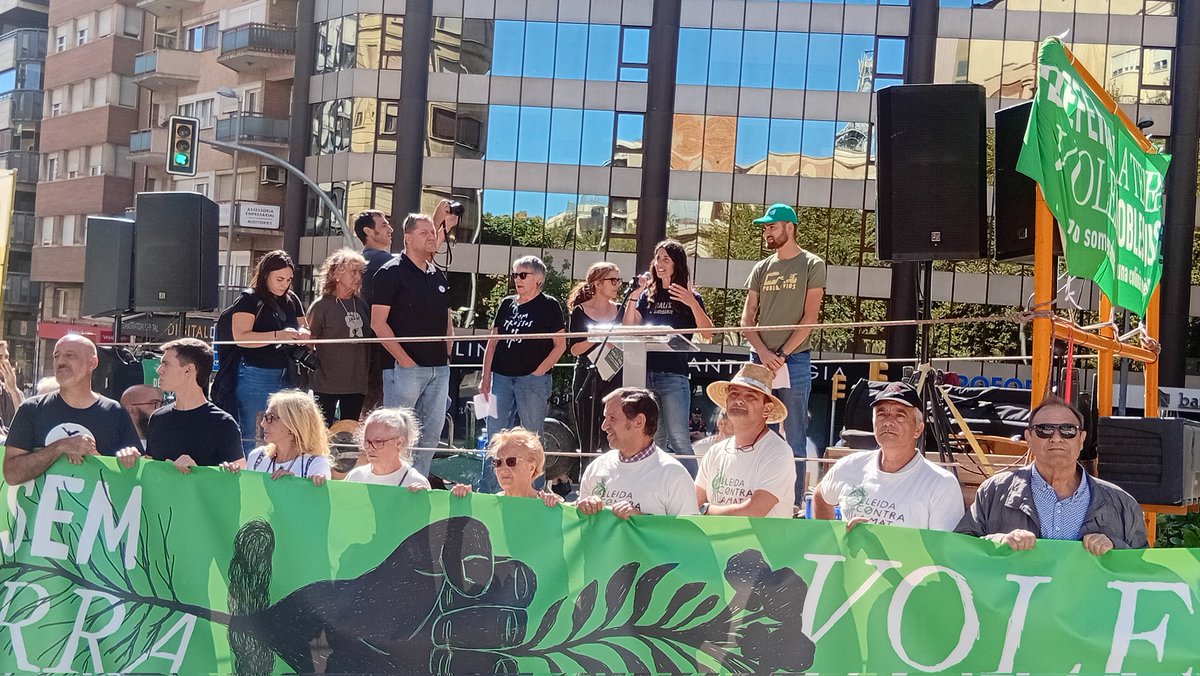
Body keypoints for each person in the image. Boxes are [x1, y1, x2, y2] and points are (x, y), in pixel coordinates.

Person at [956, 396, 1147, 554]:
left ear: (1081, 439)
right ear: (1029, 437)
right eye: (1044, 430)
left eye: (1067, 430)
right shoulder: (994, 492)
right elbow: (959, 548)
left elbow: (1142, 569)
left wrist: (1114, 547)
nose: (1056, 438)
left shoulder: (1122, 503)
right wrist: (999, 541)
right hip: (1017, 600)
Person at [742, 203, 826, 505]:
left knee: (795, 435)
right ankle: (750, 499)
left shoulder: (812, 264)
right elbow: (746, 320)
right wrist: (765, 354)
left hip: (796, 359)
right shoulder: (761, 268)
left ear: (789, 228)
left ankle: (791, 505)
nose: (766, 232)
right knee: (750, 429)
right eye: (765, 227)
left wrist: (782, 355)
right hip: (758, 360)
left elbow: (810, 317)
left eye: (771, 226)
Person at [813, 382, 964, 531]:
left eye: (900, 415)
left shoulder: (941, 485)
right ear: (873, 423)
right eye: (881, 414)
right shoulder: (849, 466)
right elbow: (820, 496)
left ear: (918, 429)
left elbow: (945, 550)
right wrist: (836, 539)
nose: (888, 422)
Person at [370, 213, 452, 476]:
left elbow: (447, 321)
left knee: (430, 436)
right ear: (408, 238)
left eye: (433, 232)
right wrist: (404, 360)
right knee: (398, 435)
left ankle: (419, 484)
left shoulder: (438, 275)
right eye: (424, 233)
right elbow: (378, 324)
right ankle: (394, 486)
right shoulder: (390, 273)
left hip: (439, 369)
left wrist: (447, 355)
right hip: (404, 369)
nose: (432, 237)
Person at [622, 239, 713, 474]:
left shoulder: (691, 296)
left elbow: (709, 334)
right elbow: (629, 327)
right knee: (655, 439)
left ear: (677, 264)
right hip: (645, 374)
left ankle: (693, 494)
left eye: (666, 259)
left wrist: (692, 303)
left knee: (679, 438)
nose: (659, 263)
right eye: (657, 258)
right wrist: (635, 295)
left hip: (674, 375)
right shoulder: (647, 295)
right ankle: (656, 489)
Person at [3, 334, 141, 484]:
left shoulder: (115, 413)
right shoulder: (31, 409)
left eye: (70, 355)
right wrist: (61, 447)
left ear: (93, 362)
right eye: (56, 356)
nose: (61, 361)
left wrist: (128, 459)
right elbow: (11, 475)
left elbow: (134, 479)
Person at [230, 250, 310, 453]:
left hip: (287, 372)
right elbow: (240, 337)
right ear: (266, 274)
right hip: (255, 373)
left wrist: (302, 334)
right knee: (254, 433)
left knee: (288, 428)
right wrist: (278, 336)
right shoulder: (249, 299)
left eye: (289, 280)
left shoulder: (292, 299)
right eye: (280, 279)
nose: (284, 284)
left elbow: (305, 326)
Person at [575, 388, 698, 518]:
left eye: (612, 418)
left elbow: (688, 533)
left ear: (639, 421)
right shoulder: (596, 468)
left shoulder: (674, 475)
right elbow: (579, 527)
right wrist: (580, 509)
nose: (604, 426)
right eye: (605, 418)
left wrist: (641, 520)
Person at [481, 255, 566, 439]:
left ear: (538, 279)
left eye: (523, 275)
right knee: (494, 434)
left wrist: (538, 372)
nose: (517, 279)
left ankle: (533, 469)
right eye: (515, 275)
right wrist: (485, 377)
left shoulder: (549, 305)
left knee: (532, 436)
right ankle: (491, 469)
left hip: (532, 380)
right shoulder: (506, 303)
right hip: (501, 379)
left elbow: (560, 345)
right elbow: (493, 341)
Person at [695, 364, 796, 518]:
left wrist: (706, 510)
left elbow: (753, 512)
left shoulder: (778, 452)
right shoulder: (715, 452)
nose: (739, 401)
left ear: (766, 409)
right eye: (734, 394)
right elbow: (694, 502)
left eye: (750, 396)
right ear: (727, 403)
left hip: (762, 543)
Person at [143, 338, 244, 472]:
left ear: (189, 369)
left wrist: (198, 472)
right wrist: (129, 460)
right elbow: (148, 472)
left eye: (166, 364)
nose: (159, 370)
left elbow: (241, 478)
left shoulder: (223, 423)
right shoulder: (157, 418)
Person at [567, 262, 625, 455]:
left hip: (614, 374)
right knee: (588, 437)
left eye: (619, 280)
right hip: (588, 373)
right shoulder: (580, 311)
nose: (617, 284)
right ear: (598, 284)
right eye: (613, 280)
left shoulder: (620, 310)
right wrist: (599, 337)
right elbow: (574, 349)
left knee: (612, 435)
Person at [308, 249, 371, 426]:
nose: (358, 277)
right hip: (326, 384)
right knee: (322, 431)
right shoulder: (321, 306)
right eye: (353, 272)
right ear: (336, 273)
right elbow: (308, 343)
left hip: (356, 384)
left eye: (360, 272)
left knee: (349, 433)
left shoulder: (361, 305)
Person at [225, 390, 331, 485]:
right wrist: (232, 478)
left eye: (270, 418)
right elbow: (248, 498)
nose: (263, 424)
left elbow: (315, 503)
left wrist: (296, 486)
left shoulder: (316, 464)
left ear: (293, 424)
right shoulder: (257, 457)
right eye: (264, 417)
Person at [451, 427, 563, 507]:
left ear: (531, 467)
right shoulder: (488, 506)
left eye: (511, 461)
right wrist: (462, 501)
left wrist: (556, 509)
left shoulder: (546, 505)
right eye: (498, 462)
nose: (503, 468)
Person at [355, 209, 395, 413]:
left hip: (365, 346)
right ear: (368, 232)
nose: (390, 229)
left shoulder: (361, 263)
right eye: (384, 225)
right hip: (383, 346)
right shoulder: (383, 262)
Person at [344, 407, 431, 489]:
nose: (370, 448)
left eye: (378, 442)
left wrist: (422, 499)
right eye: (366, 441)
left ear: (399, 443)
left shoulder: (414, 482)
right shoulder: (355, 477)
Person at [0, 340, 23, 427]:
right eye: (0, 357)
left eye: (6, 357)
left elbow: (25, 420)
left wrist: (14, 391)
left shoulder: (11, 389)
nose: (4, 362)